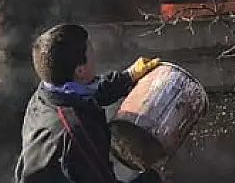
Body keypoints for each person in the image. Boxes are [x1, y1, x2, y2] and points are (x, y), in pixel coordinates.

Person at [14, 23, 164, 183]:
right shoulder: (77, 131)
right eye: (90, 49)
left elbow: (91, 91)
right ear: (79, 70)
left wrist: (128, 77)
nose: (95, 53)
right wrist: (153, 178)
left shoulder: (46, 93)